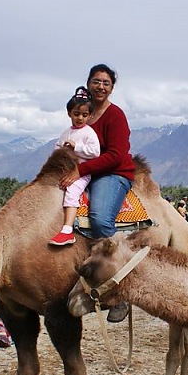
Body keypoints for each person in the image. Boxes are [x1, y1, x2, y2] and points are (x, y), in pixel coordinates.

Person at [58, 64, 135, 321]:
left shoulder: (116, 116)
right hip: (86, 171)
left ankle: (119, 290)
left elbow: (115, 155)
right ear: (88, 83)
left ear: (112, 88)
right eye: (96, 81)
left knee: (100, 218)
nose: (100, 86)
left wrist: (80, 171)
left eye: (106, 83)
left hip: (112, 173)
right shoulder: (82, 113)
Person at [49, 87, 101, 246]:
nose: (80, 118)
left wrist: (76, 147)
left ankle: (67, 229)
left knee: (72, 192)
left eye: (84, 115)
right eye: (76, 114)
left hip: (82, 172)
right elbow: (57, 148)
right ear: (69, 113)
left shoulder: (89, 133)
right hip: (65, 170)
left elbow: (95, 152)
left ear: (90, 115)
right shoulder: (65, 132)